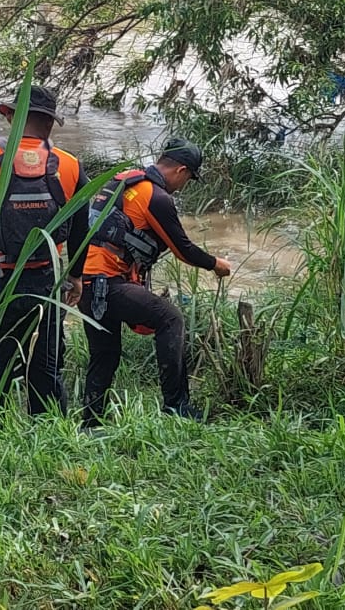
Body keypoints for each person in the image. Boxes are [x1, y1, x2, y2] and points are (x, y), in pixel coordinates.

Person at [0, 85, 91, 415]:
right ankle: (50, 433)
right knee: (47, 371)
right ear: (51, 123)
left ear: (10, 115)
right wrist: (77, 277)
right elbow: (82, 231)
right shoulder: (70, 166)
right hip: (47, 284)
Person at [79, 138, 232, 425]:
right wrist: (216, 265)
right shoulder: (155, 196)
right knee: (169, 318)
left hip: (87, 283)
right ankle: (176, 406)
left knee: (105, 354)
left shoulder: (122, 182)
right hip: (109, 283)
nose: (184, 185)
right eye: (188, 179)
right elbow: (182, 249)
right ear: (181, 170)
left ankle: (91, 422)